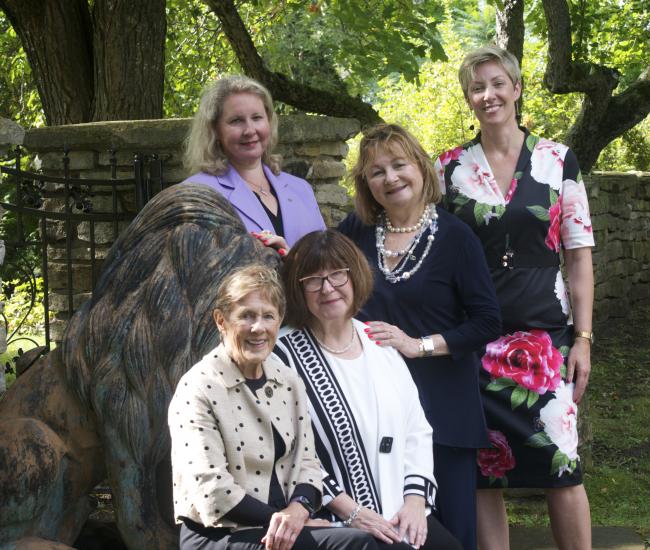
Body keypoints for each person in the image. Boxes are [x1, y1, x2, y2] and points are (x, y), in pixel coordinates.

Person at [435, 45, 594, 550]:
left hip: (547, 339)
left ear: (517, 87)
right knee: (486, 471)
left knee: (561, 464)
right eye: (477, 87)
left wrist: (584, 338)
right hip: (474, 340)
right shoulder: (449, 167)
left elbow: (579, 256)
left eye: (497, 83)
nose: (489, 95)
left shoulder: (557, 160)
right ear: (468, 98)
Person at [338, 124, 502, 550]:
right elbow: (321, 275)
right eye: (377, 172)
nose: (390, 178)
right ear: (366, 184)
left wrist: (418, 345)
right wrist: (287, 250)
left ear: (421, 169)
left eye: (399, 165)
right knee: (388, 532)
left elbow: (487, 321)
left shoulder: (455, 237)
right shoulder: (354, 233)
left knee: (450, 534)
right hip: (376, 411)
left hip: (443, 408)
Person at [274, 229, 462, 550]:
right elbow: (287, 453)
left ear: (355, 277)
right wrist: (352, 513)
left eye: (337, 275)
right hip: (334, 521)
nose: (328, 288)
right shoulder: (282, 355)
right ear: (298, 288)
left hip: (398, 511)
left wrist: (415, 501)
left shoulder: (378, 341)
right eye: (313, 280)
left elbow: (416, 429)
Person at [168, 264, 377, 550]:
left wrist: (298, 511)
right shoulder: (198, 387)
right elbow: (211, 489)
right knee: (357, 545)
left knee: (392, 545)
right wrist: (286, 522)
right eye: (246, 316)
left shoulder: (288, 381)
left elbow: (308, 465)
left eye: (268, 316)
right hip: (222, 535)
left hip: (283, 527)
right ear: (221, 320)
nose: (259, 328)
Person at [183, 75, 325, 250]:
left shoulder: (301, 189)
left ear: (269, 122)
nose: (250, 130)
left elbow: (326, 261)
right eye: (236, 121)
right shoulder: (196, 194)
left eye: (257, 118)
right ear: (215, 130)